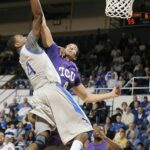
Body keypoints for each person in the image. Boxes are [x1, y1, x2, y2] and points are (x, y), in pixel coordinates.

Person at [7, 0, 93, 150]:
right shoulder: (29, 45)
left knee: (41, 141)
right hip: (52, 89)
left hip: (38, 95)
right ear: (17, 44)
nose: (23, 36)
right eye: (20, 36)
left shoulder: (22, 57)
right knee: (84, 130)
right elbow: (38, 16)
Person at [40, 10, 120, 104]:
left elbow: (86, 97)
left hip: (59, 102)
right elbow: (44, 26)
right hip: (45, 95)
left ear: (75, 57)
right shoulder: (55, 53)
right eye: (69, 46)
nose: (70, 47)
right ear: (64, 49)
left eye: (74, 49)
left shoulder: (74, 72)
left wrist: (112, 94)